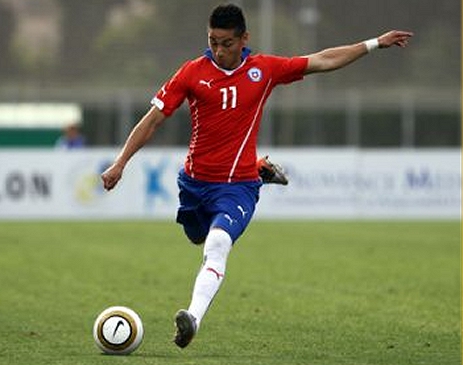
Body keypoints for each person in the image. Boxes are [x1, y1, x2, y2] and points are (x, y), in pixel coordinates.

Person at [100, 3, 412, 349]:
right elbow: (153, 120)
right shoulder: (191, 73)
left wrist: (373, 43)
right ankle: (261, 169)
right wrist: (120, 163)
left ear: (244, 38)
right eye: (213, 41)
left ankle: (192, 317)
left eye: (227, 43)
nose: (219, 50)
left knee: (218, 244)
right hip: (194, 183)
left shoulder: (263, 69)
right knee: (196, 236)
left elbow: (322, 60)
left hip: (237, 187)